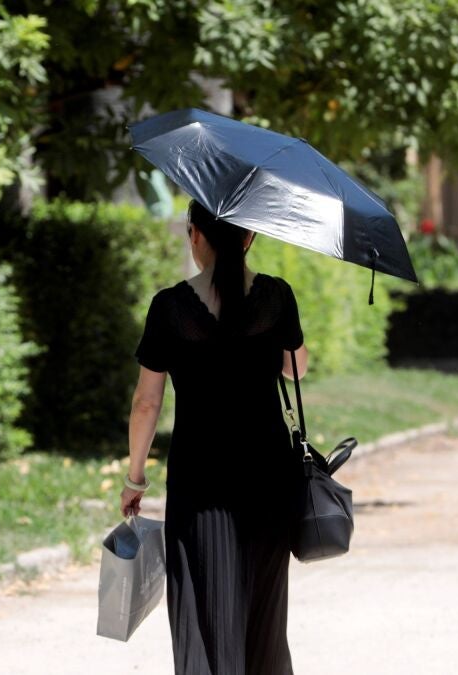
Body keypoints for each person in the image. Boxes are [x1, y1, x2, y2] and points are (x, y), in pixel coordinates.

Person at [120, 199, 309, 675]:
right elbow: (296, 370)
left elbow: (146, 403)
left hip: (199, 481)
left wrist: (135, 478)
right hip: (269, 479)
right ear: (249, 237)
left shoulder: (170, 307)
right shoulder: (276, 297)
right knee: (263, 616)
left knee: (205, 613)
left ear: (195, 235)